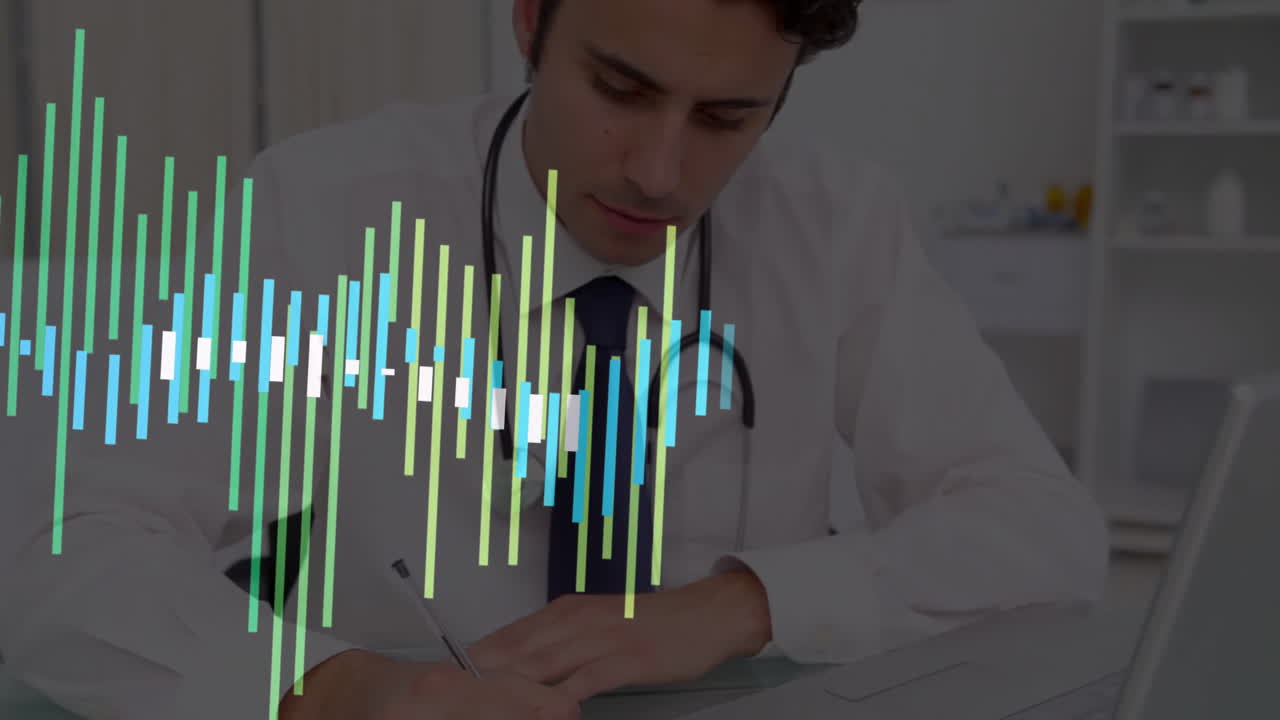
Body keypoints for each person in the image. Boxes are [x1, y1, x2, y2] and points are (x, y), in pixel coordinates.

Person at [0, 0, 1109, 718]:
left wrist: (743, 606)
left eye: (726, 117)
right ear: (529, 20)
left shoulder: (834, 223)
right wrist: (334, 690)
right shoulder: (322, 206)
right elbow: (67, 534)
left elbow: (1038, 525)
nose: (659, 173)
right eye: (619, 92)